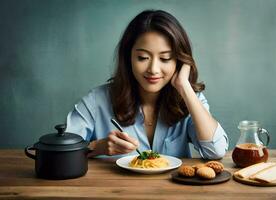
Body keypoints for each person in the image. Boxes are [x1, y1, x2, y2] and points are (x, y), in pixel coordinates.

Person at [66, 9, 228, 159]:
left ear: (179, 61)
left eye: (165, 58)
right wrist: (98, 146)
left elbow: (216, 151)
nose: (153, 69)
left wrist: (185, 87)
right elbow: (60, 152)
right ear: (128, 57)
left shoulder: (191, 99)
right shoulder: (97, 101)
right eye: (143, 57)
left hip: (175, 191)